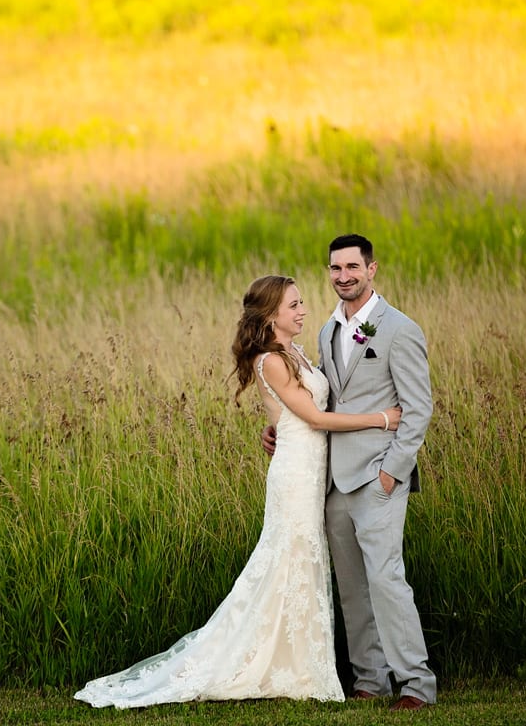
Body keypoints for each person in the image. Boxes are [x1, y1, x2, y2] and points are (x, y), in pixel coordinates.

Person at [74, 275, 401, 709]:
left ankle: (299, 662)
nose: (303, 310)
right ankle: (284, 667)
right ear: (270, 317)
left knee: (302, 562)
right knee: (289, 557)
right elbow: (315, 419)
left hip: (311, 468)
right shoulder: (271, 360)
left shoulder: (295, 351)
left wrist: (276, 427)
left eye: (302, 303)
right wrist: (381, 419)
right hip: (295, 475)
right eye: (294, 305)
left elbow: (300, 413)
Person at [262, 234, 436, 711]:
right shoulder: (326, 331)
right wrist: (280, 428)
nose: (343, 276)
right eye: (335, 268)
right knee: (352, 583)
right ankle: (370, 678)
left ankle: (416, 685)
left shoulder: (399, 330)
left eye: (352, 267)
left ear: (372, 269)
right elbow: (321, 397)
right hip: (333, 480)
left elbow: (418, 410)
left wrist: (391, 473)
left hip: (377, 477)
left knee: (386, 578)